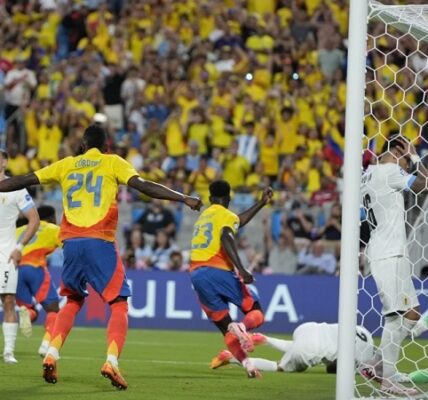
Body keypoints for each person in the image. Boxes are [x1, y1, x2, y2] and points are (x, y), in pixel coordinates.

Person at [0, 125, 202, 389]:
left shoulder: (66, 165)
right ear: (106, 145)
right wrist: (183, 197)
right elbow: (144, 186)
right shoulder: (112, 162)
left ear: (83, 144)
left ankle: (51, 353)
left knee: (72, 299)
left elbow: (24, 179)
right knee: (118, 303)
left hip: (70, 244)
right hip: (100, 241)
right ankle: (111, 361)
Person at [360, 135, 428, 396]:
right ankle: (387, 382)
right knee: (395, 316)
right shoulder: (389, 171)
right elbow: (424, 183)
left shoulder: (368, 174)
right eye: (404, 157)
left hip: (391, 252)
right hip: (387, 253)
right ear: (397, 151)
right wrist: (415, 157)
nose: (406, 165)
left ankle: (377, 365)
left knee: (411, 313)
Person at [189, 180, 272, 378]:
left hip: (196, 275)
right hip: (218, 270)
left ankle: (248, 366)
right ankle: (242, 326)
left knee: (226, 329)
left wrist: (261, 203)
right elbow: (227, 234)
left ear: (210, 199)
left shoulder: (204, 217)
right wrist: (242, 269)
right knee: (256, 312)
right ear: (228, 199)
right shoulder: (225, 216)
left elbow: (238, 220)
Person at [211, 322, 374, 375]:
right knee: (279, 366)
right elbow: (335, 368)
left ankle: (264, 339)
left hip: (309, 327)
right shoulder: (361, 360)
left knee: (299, 348)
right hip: (311, 347)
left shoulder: (365, 332)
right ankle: (231, 357)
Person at [0, 148, 39, 364]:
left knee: (7, 301)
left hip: (6, 253)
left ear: (4, 161)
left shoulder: (15, 189)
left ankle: (8, 352)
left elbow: (34, 220)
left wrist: (20, 247)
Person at [15, 205, 62, 357]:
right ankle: (46, 344)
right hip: (34, 268)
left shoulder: (20, 230)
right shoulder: (51, 228)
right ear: (50, 218)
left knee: (30, 309)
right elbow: (69, 245)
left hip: (14, 270)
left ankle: (27, 314)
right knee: (53, 309)